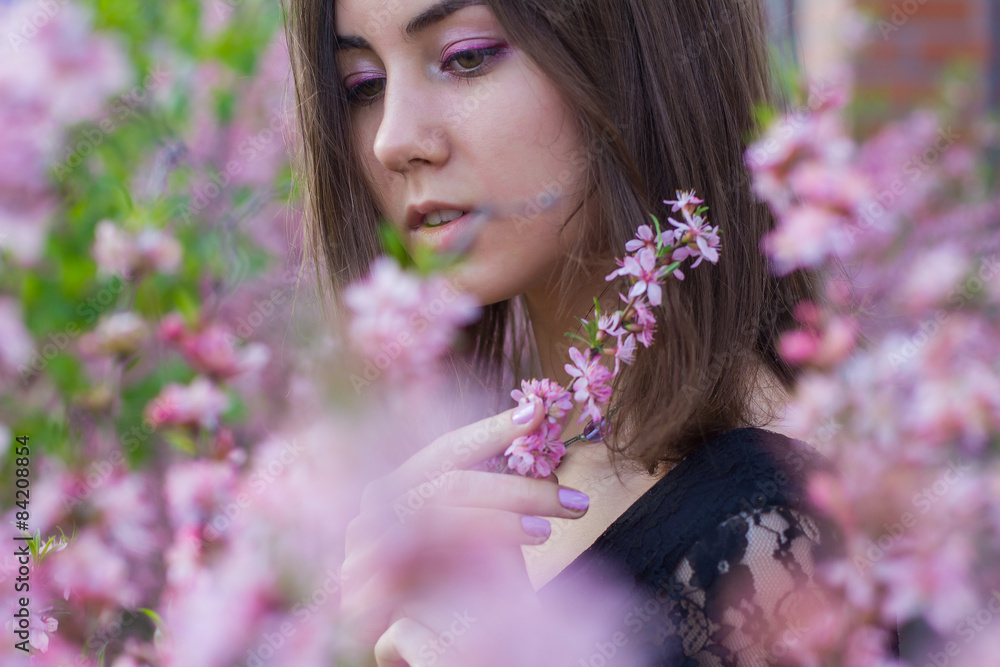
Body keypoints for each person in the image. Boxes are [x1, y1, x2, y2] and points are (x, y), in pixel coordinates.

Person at [281, 0, 842, 664]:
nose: (392, 139)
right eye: (363, 87)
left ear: (630, 53)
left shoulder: (770, 530)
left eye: (466, 57)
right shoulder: (471, 462)